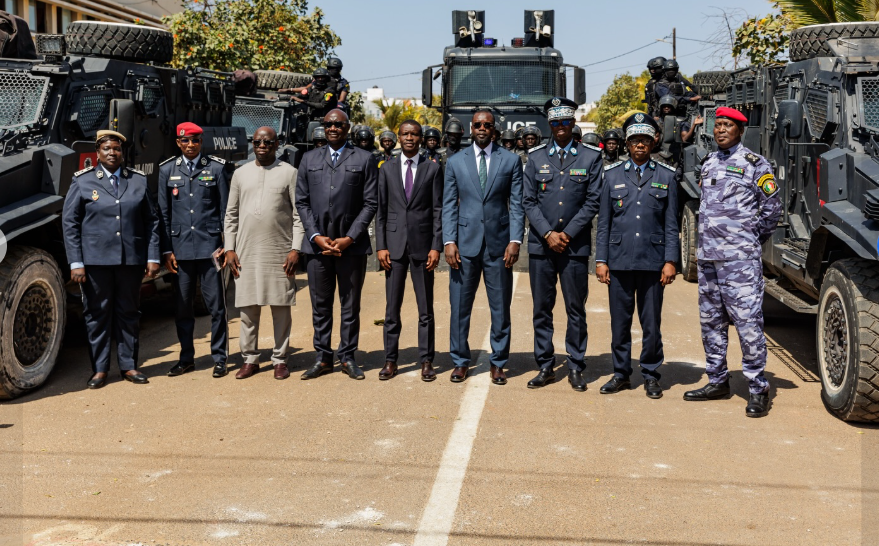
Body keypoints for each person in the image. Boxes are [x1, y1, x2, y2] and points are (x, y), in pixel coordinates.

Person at [683, 107, 782, 418]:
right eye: (718, 125)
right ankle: (717, 380)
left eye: (728, 125)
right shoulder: (709, 162)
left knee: (747, 323)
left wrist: (749, 239)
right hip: (709, 258)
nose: (721, 130)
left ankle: (757, 388)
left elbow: (772, 209)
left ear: (741, 130)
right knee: (711, 323)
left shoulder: (755, 165)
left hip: (740, 260)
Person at [62, 130, 160, 388]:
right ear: (98, 153)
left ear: (122, 152)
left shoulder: (137, 180)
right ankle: (100, 369)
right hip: (95, 263)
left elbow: (152, 221)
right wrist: (76, 262)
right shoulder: (83, 182)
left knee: (129, 312)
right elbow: (70, 223)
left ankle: (128, 366)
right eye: (107, 149)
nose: (112, 153)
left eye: (117, 149)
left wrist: (152, 256)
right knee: (97, 314)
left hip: (130, 261)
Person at [595, 113, 680, 399]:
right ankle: (620, 373)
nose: (639, 145)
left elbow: (672, 224)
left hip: (653, 261)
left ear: (653, 141)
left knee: (651, 323)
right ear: (627, 144)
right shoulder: (612, 174)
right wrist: (601, 260)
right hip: (618, 261)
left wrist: (671, 261)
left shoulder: (666, 176)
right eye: (634, 140)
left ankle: (651, 374)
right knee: (620, 323)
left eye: (644, 140)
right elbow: (604, 222)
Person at [522, 97, 603, 392]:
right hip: (541, 246)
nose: (559, 127)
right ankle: (545, 364)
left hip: (574, 246)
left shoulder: (590, 157)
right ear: (549, 124)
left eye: (564, 122)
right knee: (542, 308)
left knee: (575, 308)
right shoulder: (535, 157)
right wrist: (547, 233)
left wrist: (566, 234)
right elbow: (528, 201)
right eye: (554, 122)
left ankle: (575, 366)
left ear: (573, 123)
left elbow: (593, 200)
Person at [443, 109, 524, 385]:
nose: (481, 128)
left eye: (486, 125)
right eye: (477, 124)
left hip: (499, 246)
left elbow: (516, 204)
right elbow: (449, 206)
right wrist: (449, 241)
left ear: (494, 130)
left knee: (500, 307)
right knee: (459, 307)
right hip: (464, 246)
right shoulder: (455, 162)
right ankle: (460, 361)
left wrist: (515, 240)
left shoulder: (511, 160)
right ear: (470, 128)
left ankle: (499, 362)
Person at [296, 109, 378, 380]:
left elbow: (370, 203)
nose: (333, 128)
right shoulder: (308, 159)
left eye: (338, 125)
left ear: (347, 128)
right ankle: (322, 357)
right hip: (317, 247)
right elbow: (302, 201)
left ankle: (347, 356)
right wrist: (315, 236)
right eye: (328, 124)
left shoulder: (365, 159)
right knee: (320, 305)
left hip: (351, 247)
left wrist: (350, 237)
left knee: (350, 304)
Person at [223, 127, 305, 380]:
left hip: (279, 251)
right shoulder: (240, 173)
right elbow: (231, 215)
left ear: (276, 144)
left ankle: (280, 359)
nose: (262, 145)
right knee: (247, 310)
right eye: (257, 141)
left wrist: (295, 249)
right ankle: (250, 359)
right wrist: (229, 248)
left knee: (281, 308)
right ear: (253, 143)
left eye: (267, 142)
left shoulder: (290, 173)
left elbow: (298, 215)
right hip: (245, 252)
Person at [158, 122, 230, 378]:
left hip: (211, 249)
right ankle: (186, 358)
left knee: (216, 307)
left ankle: (220, 358)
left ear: (202, 142)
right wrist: (167, 251)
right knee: (182, 308)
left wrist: (226, 245)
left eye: (195, 141)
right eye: (186, 141)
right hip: (181, 251)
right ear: (178, 142)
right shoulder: (167, 170)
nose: (191, 145)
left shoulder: (216, 168)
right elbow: (164, 215)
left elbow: (225, 212)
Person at [375, 120, 444, 382]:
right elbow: (381, 211)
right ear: (399, 137)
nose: (410, 138)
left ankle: (426, 360)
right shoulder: (387, 168)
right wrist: (380, 245)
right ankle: (390, 360)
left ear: (421, 138)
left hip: (423, 248)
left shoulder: (432, 169)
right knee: (392, 309)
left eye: (415, 134)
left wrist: (436, 246)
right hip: (393, 248)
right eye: (405, 134)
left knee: (425, 309)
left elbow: (438, 211)